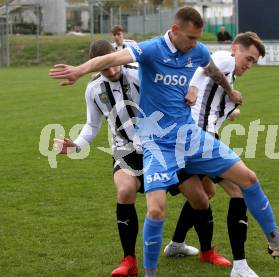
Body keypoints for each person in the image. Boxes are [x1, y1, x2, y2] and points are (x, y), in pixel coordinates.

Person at [49, 7, 279, 277]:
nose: (195, 45)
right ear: (175, 31)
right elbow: (113, 57)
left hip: (190, 136)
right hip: (157, 144)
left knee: (247, 178)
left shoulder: (196, 50)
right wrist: (79, 71)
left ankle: (275, 239)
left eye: (198, 39)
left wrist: (228, 90)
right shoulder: (151, 49)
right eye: (190, 38)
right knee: (155, 211)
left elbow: (212, 70)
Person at [53, 39, 228, 277]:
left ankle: (207, 251)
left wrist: (190, 91)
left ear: (116, 56)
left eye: (113, 64)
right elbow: (92, 125)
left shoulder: (140, 73)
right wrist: (76, 145)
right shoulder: (94, 90)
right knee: (124, 191)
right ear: (97, 67)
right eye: (105, 68)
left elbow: (174, 82)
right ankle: (129, 261)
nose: (112, 70)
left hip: (164, 144)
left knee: (200, 198)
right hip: (127, 150)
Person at [165, 31, 272, 277]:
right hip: (196, 136)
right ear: (236, 48)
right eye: (249, 58)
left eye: (254, 61)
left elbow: (212, 94)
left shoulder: (229, 73)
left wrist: (230, 108)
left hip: (194, 136)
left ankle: (177, 243)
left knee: (206, 195)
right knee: (239, 189)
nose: (249, 64)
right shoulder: (225, 57)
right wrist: (192, 90)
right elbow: (202, 70)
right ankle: (240, 266)